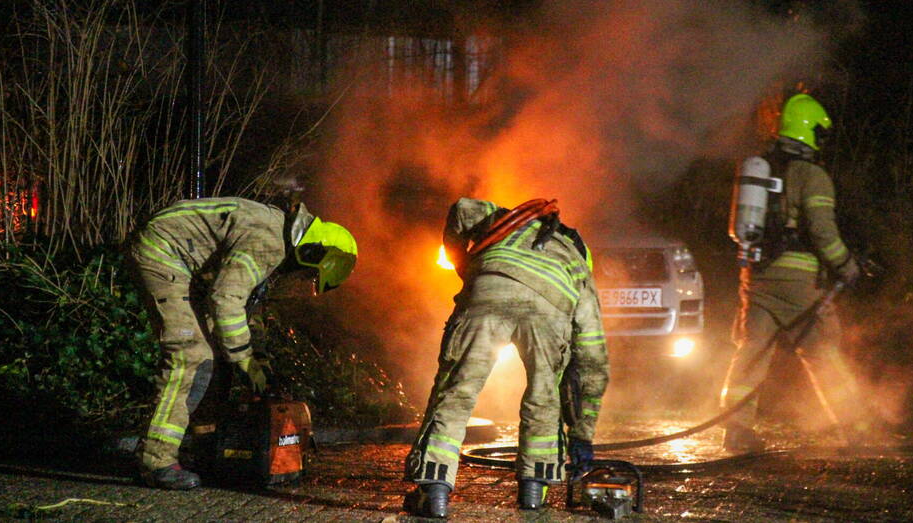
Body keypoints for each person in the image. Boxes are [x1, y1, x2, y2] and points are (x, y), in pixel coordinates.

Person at [128, 196, 357, 489]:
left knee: (217, 357)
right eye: (309, 273)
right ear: (312, 252)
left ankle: (206, 451)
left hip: (186, 263)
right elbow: (226, 298)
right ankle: (155, 460)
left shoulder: (278, 237)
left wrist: (256, 357)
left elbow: (248, 307)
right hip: (163, 251)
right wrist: (245, 359)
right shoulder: (269, 240)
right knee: (192, 354)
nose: (301, 278)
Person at [404, 198, 609, 518]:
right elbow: (593, 359)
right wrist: (582, 435)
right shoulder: (578, 265)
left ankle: (434, 490)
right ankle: (532, 490)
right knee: (545, 397)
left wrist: (464, 267)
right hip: (550, 310)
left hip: (489, 286)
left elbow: (461, 208)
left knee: (457, 391)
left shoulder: (506, 220)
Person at [720, 93, 867, 453]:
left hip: (756, 277)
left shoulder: (761, 168)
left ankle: (736, 430)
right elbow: (821, 229)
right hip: (799, 282)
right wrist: (846, 264)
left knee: (751, 352)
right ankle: (856, 430)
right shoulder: (811, 175)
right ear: (811, 130)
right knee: (823, 352)